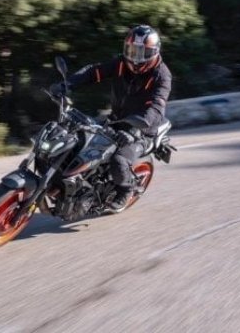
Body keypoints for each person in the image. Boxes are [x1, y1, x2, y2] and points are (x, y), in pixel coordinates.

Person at [52, 24, 172, 213]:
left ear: (153, 52)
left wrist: (136, 131)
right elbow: (94, 72)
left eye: (141, 52)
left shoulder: (162, 76)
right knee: (78, 140)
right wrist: (68, 85)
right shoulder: (121, 64)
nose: (135, 56)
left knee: (119, 160)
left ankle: (125, 190)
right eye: (131, 50)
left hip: (142, 129)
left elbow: (157, 107)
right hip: (116, 120)